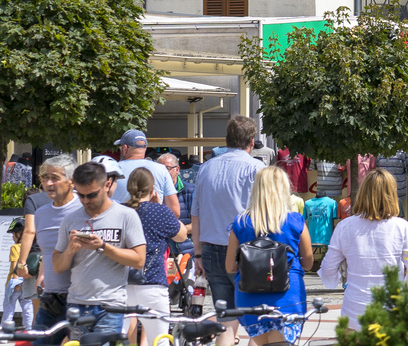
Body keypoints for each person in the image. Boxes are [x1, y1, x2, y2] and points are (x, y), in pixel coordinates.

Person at [52, 160, 146, 339]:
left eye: (92, 195)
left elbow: (139, 260)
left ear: (107, 185)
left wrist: (103, 246)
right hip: (77, 304)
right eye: (80, 195)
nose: (85, 201)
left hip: (110, 306)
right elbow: (57, 266)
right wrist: (70, 249)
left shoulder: (126, 215)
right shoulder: (70, 219)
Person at [193, 115, 266, 346]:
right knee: (258, 320)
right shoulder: (256, 168)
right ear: (252, 142)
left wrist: (198, 253)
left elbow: (196, 213)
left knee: (225, 319)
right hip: (248, 250)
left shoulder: (206, 168)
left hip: (211, 248)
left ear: (227, 139)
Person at [318, 169, 408, 321]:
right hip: (390, 311)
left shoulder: (345, 226)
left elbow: (328, 268)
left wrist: (333, 281)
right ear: (392, 195)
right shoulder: (401, 227)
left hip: (354, 311)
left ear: (363, 193)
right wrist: (404, 293)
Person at [224, 166, 311, 345]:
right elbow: (308, 262)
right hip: (288, 295)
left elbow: (230, 267)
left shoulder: (241, 222)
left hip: (249, 294)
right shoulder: (295, 220)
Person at [124, 167, 186, 345]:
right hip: (152, 282)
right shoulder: (159, 211)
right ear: (152, 189)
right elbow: (181, 235)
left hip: (122, 283)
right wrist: (159, 206)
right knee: (159, 340)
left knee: (116, 338)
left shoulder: (120, 210)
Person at [19, 155, 78, 338]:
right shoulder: (41, 213)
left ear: (71, 181)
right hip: (51, 297)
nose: (49, 183)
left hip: (80, 298)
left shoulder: (83, 209)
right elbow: (47, 249)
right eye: (46, 178)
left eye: (55, 178)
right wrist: (43, 273)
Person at [112, 131, 181, 218]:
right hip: (152, 224)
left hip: (121, 223)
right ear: (146, 148)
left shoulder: (113, 169)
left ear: (125, 148)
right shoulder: (161, 169)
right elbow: (175, 212)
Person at [4, 219, 35, 333]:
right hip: (25, 283)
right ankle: (29, 330)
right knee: (28, 308)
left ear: (19, 234)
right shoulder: (31, 247)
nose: (13, 237)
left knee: (9, 308)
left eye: (13, 234)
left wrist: (15, 282)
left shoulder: (15, 247)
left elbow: (15, 265)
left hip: (15, 282)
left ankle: (6, 332)